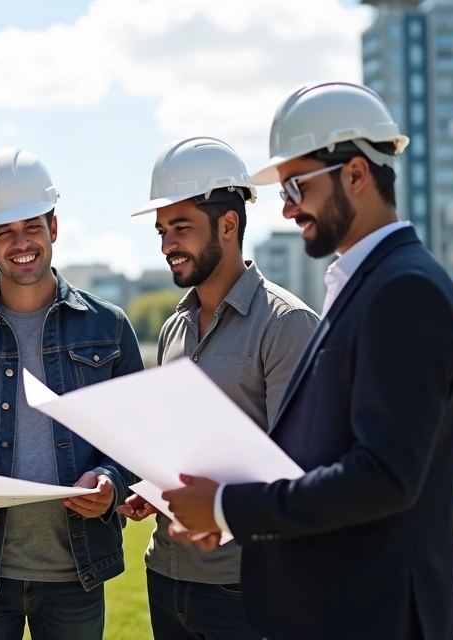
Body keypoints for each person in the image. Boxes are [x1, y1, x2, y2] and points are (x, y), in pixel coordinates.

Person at [163, 81, 453, 640]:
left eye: (297, 185)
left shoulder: (404, 291)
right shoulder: (363, 285)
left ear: (355, 173)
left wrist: (231, 508)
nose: (285, 207)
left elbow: (382, 477)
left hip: (375, 615)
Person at [0, 148, 143, 640]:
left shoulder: (110, 328)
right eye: (5, 232)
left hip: (76, 575)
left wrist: (108, 482)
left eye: (32, 227)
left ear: (53, 229)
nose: (22, 243)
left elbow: (134, 442)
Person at [117, 136, 317, 640]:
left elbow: (300, 473)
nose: (167, 245)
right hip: (166, 574)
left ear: (229, 225)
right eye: (162, 231)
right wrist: (155, 491)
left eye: (181, 228)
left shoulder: (287, 325)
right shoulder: (172, 329)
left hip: (244, 584)